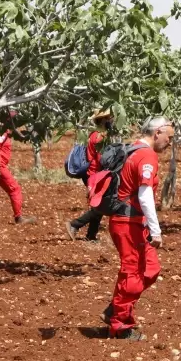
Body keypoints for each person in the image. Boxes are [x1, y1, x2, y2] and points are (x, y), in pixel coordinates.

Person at [107, 117, 171, 340]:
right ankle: (120, 326)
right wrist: (156, 230)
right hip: (128, 223)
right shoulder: (146, 155)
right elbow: (145, 195)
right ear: (157, 132)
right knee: (132, 272)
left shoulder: (133, 148)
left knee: (150, 269)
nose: (169, 142)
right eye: (168, 137)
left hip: (132, 222)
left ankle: (115, 308)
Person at [67, 108, 116, 242]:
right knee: (102, 205)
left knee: (98, 203)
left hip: (94, 174)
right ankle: (74, 224)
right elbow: (103, 159)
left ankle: (91, 235)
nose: (111, 119)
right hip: (96, 175)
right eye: (109, 117)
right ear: (103, 120)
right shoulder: (100, 137)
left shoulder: (96, 134)